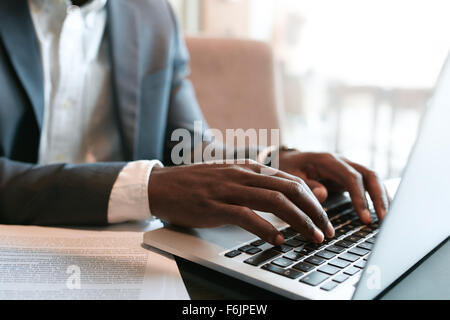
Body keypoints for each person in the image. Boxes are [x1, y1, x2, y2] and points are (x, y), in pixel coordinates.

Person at [0, 0, 389, 246]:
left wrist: (269, 164)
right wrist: (148, 188)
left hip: (134, 255)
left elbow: (189, 147)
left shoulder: (152, 16)